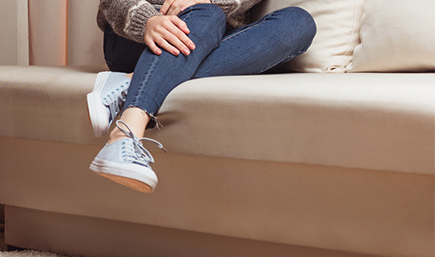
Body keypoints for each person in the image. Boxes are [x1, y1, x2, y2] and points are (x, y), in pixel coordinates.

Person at [87, 0, 316, 193]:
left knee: (299, 23)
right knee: (207, 14)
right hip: (141, 36)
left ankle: (134, 81)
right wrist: (146, 20)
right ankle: (124, 133)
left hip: (215, 36)